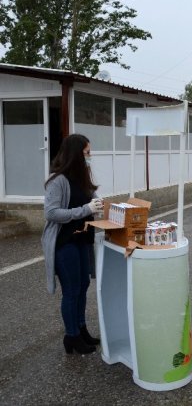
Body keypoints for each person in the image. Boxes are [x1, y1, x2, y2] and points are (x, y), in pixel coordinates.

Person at [41, 134, 104, 354]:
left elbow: (92, 197)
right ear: (76, 154)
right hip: (64, 241)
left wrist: (99, 203)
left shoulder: (82, 176)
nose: (89, 156)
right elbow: (51, 213)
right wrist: (86, 210)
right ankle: (71, 336)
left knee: (83, 286)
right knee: (72, 289)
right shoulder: (57, 180)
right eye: (87, 152)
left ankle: (81, 329)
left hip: (82, 239)